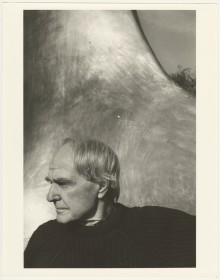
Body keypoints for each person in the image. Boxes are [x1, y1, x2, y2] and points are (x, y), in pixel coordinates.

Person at [24, 137, 196, 268]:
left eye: (63, 183)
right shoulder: (44, 237)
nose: (50, 196)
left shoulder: (158, 227)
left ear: (101, 187)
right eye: (50, 182)